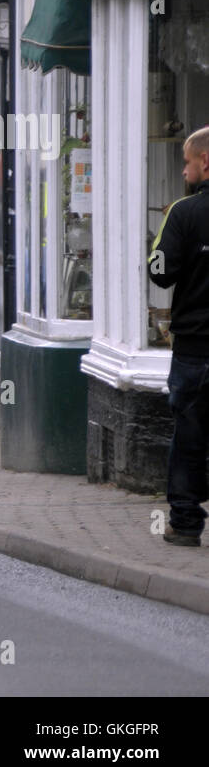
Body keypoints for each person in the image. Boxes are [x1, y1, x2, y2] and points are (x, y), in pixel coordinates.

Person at [149, 125, 209, 547]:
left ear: (204, 162)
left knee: (189, 435)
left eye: (187, 161)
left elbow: (160, 271)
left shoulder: (184, 212)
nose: (184, 169)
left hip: (195, 347)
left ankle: (185, 524)